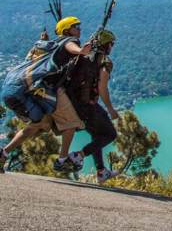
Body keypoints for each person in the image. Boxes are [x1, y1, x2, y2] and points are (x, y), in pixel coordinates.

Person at [0, 17, 91, 173]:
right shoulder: (70, 41)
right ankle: (62, 160)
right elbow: (71, 46)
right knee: (72, 123)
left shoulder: (51, 44)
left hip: (34, 89)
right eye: (76, 26)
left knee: (38, 125)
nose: (80, 29)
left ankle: (3, 153)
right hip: (50, 90)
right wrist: (81, 51)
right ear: (67, 30)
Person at [65, 29, 120, 184]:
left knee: (98, 135)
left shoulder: (83, 56)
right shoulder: (104, 61)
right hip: (88, 106)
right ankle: (79, 155)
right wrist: (110, 109)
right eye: (111, 44)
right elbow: (102, 87)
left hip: (72, 103)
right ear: (106, 45)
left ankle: (101, 171)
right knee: (110, 134)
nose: (112, 47)